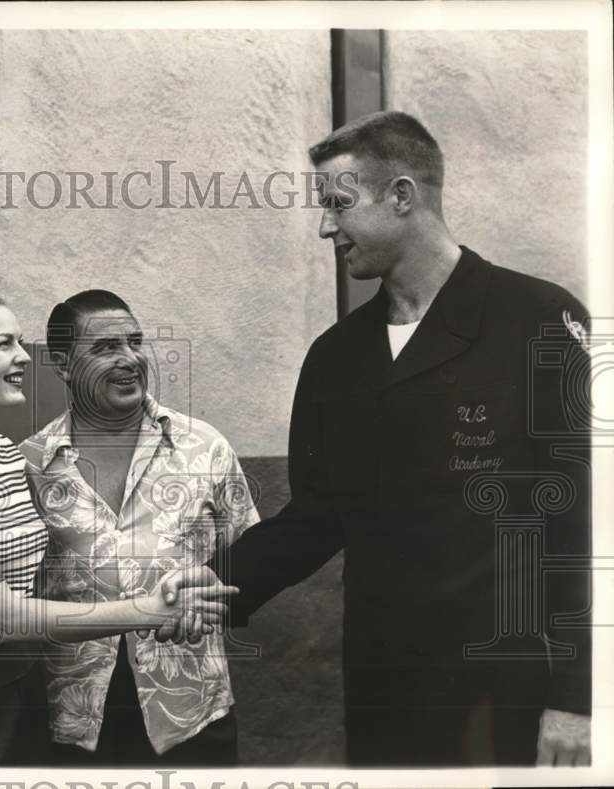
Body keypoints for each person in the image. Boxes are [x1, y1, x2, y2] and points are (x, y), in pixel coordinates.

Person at [161, 111, 593, 766]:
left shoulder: (538, 319)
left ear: (401, 195)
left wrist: (577, 696)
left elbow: (582, 521)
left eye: (339, 204)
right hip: (384, 689)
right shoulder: (336, 356)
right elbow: (315, 516)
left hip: (508, 692)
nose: (324, 227)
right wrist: (214, 582)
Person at [0, 285, 235, 766]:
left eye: (19, 342)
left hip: (24, 693)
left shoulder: (7, 455)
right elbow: (7, 616)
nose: (23, 356)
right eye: (3, 345)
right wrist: (150, 610)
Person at [19, 290, 260, 766]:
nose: (129, 358)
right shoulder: (32, 465)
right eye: (105, 347)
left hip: (190, 710)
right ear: (64, 366)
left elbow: (251, 556)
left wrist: (211, 600)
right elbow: (16, 594)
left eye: (134, 341)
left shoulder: (203, 446)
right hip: (76, 718)